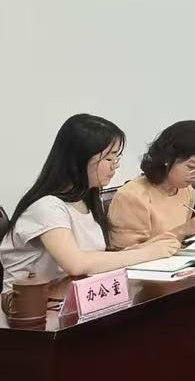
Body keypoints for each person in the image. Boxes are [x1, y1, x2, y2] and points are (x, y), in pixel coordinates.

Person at [2, 114, 182, 291]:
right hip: (30, 306)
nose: (115, 166)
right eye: (109, 158)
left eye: (116, 158)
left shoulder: (86, 200)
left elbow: (95, 259)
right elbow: (76, 264)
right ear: (78, 159)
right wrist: (147, 253)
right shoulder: (46, 207)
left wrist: (149, 246)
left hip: (73, 297)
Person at [108, 120, 195, 248]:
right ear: (167, 159)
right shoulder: (132, 196)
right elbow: (126, 252)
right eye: (191, 166)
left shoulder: (187, 191)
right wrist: (182, 230)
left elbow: (180, 241)